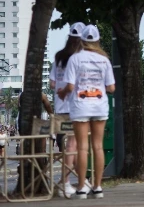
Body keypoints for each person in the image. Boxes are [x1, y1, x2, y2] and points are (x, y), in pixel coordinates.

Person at [57, 24, 115, 199]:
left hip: (80, 106)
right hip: (99, 105)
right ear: (97, 41)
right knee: (98, 146)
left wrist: (62, 93)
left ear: (82, 40)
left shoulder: (75, 59)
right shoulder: (104, 60)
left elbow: (70, 85)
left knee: (82, 147)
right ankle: (97, 187)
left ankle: (81, 187)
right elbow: (111, 87)